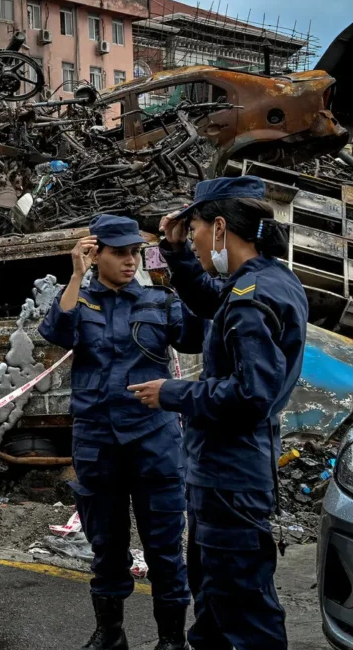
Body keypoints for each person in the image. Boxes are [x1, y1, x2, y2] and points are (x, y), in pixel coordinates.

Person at [130, 176, 306, 649]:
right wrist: (177, 252)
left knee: (244, 611)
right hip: (220, 475)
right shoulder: (265, 279)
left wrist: (174, 393)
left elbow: (251, 397)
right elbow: (211, 299)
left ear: (222, 227)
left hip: (231, 478)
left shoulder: (254, 300)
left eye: (198, 232)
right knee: (211, 604)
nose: (197, 242)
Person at [39, 214, 202, 650]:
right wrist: (75, 274)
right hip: (98, 443)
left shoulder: (158, 300)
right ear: (96, 255)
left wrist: (182, 269)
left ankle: (171, 639)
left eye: (135, 252)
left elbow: (194, 337)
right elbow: (56, 331)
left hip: (155, 442)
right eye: (119, 253)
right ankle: (110, 633)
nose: (130, 260)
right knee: (106, 548)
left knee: (165, 549)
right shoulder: (80, 300)